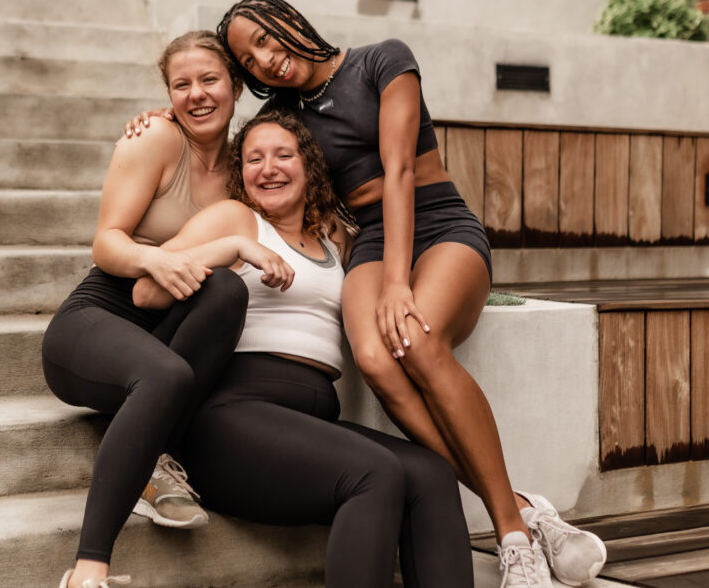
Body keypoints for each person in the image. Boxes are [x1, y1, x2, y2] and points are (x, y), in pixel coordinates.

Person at [125, 0, 606, 588]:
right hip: (373, 241)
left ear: (291, 21)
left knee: (419, 340)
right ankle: (528, 508)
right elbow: (231, 141)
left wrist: (398, 284)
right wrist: (166, 117)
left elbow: (399, 170)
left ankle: (511, 533)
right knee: (377, 359)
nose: (267, 60)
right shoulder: (285, 111)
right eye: (251, 59)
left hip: (437, 222)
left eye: (269, 39)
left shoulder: (382, 60)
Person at [133, 110, 475, 587]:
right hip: (232, 419)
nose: (268, 168)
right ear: (241, 173)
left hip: (310, 420)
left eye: (282, 155)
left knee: (432, 472)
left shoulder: (337, 237)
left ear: (309, 166)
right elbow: (146, 292)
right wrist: (234, 248)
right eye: (253, 159)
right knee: (374, 474)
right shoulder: (236, 219)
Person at [43, 31, 284, 588]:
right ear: (167, 93)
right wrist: (152, 263)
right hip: (94, 325)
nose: (196, 95)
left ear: (235, 85)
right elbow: (106, 242)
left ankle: (157, 453)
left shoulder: (243, 166)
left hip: (164, 330)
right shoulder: (155, 137)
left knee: (227, 292)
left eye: (209, 80)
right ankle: (87, 571)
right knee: (167, 372)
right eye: (181, 84)